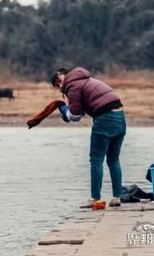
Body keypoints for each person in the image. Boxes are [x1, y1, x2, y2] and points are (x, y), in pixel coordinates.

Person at [50, 67, 126, 208]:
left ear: (66, 76)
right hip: (120, 116)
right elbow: (85, 107)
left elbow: (75, 116)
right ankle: (117, 197)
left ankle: (94, 198)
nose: (60, 85)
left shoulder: (72, 86)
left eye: (59, 81)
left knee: (96, 160)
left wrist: (65, 112)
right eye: (57, 85)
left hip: (105, 119)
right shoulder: (86, 80)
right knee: (113, 159)